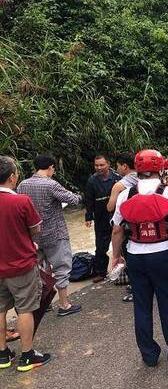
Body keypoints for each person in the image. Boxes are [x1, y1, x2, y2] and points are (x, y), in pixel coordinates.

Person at [110, 149, 168, 367]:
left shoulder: (126, 194)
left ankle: (149, 354)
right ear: (160, 168)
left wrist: (115, 257)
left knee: (141, 306)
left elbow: (117, 230)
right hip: (163, 255)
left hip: (135, 256)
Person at [0, 156, 51, 372]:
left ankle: (2, 354)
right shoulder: (21, 201)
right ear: (12, 177)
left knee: (0, 310)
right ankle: (27, 355)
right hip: (21, 265)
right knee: (25, 309)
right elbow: (36, 229)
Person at [17, 154, 82, 317]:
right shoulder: (51, 184)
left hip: (33, 237)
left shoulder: (22, 185)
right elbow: (73, 200)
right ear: (51, 167)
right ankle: (64, 304)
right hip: (54, 233)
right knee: (61, 267)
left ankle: (43, 304)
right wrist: (79, 195)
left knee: (39, 271)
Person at [84, 154, 120, 282]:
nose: (99, 168)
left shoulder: (117, 178)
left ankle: (123, 270)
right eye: (96, 165)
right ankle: (101, 272)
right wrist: (88, 216)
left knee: (122, 244)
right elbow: (88, 200)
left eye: (102, 165)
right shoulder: (92, 181)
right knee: (100, 247)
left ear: (108, 165)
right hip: (100, 218)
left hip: (117, 216)